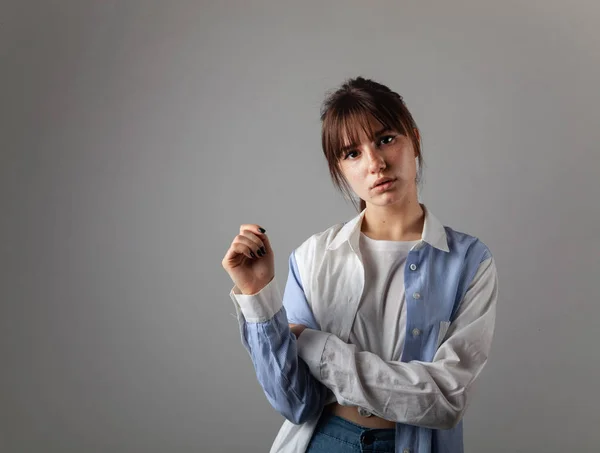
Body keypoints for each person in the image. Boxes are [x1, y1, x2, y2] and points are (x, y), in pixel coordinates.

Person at [221, 76, 499, 453]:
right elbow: (296, 403)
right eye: (353, 153)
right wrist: (257, 297)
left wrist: (317, 348)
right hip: (323, 442)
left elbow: (446, 400)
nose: (376, 163)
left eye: (386, 139)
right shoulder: (313, 257)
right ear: (340, 169)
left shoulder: (469, 262)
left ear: (413, 139)